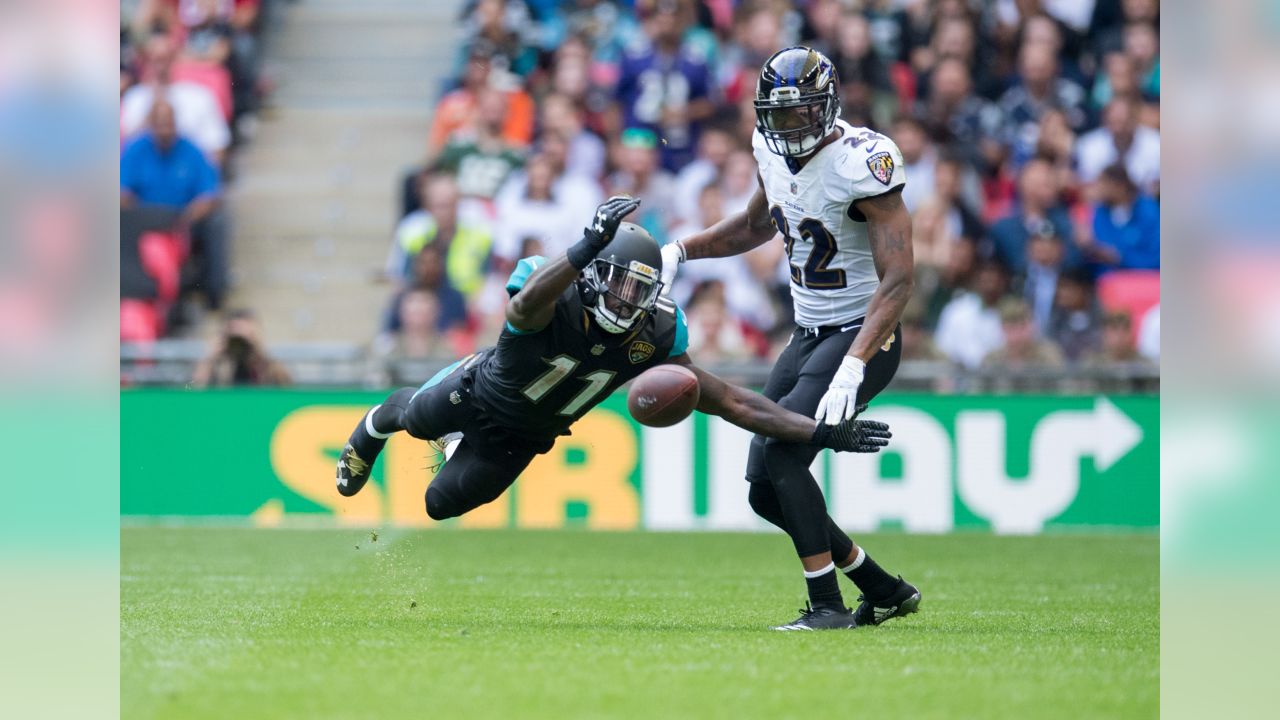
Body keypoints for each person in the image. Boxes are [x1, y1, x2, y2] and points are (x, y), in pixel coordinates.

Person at [337, 196, 891, 547]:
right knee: (413, 418)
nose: (629, 301)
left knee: (438, 505)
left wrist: (818, 431)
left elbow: (734, 402)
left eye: (641, 290)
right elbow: (522, 307)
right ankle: (373, 426)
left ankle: (454, 445)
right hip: (478, 393)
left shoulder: (654, 336)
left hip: (527, 436)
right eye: (620, 283)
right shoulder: (554, 290)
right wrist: (584, 247)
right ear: (595, 274)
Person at [661, 47, 920, 631]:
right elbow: (758, 223)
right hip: (807, 334)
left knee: (782, 450)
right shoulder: (768, 151)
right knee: (763, 491)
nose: (788, 127)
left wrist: (856, 362)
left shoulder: (864, 163)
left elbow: (900, 279)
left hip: (862, 333)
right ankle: (882, 588)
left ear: (828, 107)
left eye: (801, 113)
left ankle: (827, 608)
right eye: (777, 116)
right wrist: (683, 249)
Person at [120, 99, 230, 310]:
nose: (165, 129)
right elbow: (121, 191)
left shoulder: (192, 151)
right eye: (159, 123)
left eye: (168, 123)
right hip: (142, 223)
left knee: (217, 222)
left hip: (183, 220)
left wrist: (188, 217)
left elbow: (210, 194)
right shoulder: (135, 150)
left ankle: (213, 294)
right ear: (151, 124)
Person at [191, 309, 291, 387]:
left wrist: (259, 352)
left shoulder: (265, 364)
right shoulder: (218, 363)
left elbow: (287, 387)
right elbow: (190, 390)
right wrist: (209, 359)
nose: (239, 343)